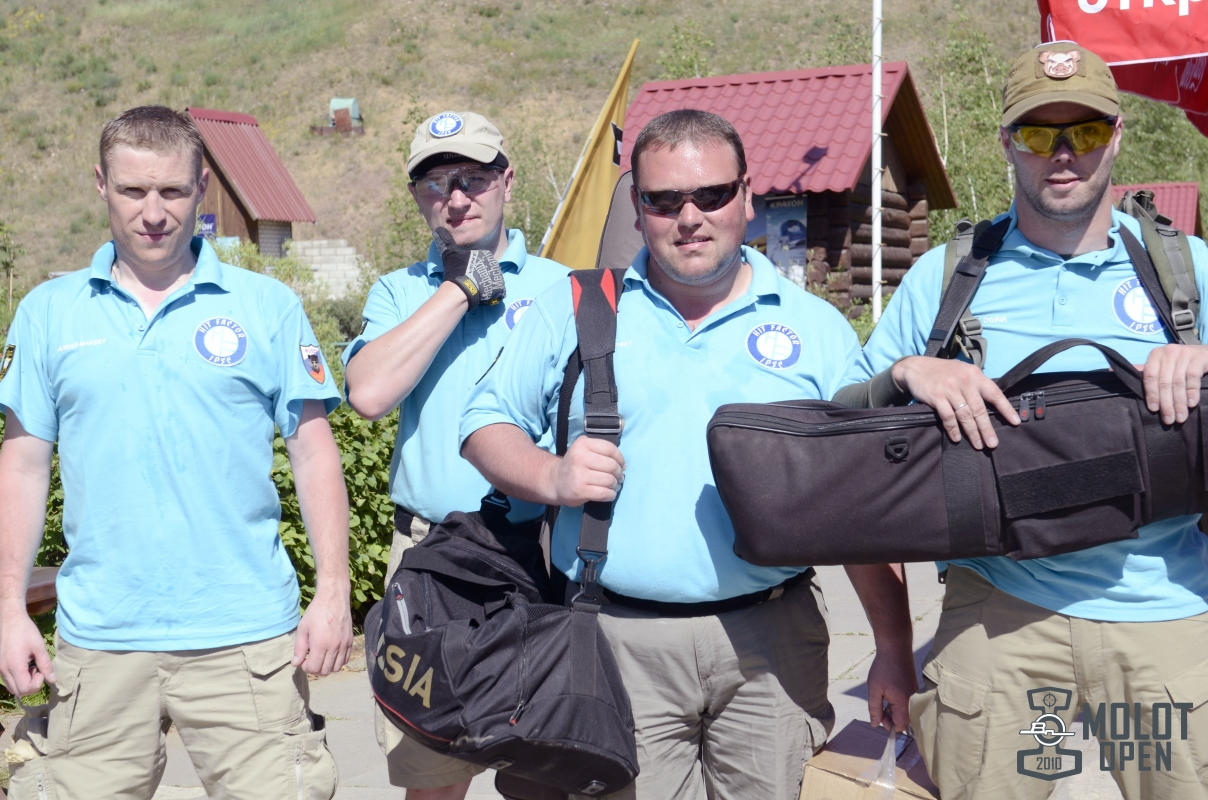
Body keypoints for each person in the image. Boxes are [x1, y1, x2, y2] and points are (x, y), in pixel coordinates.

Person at [459, 109, 918, 799]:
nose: (690, 217)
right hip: (614, 641)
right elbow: (483, 424)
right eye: (664, 200)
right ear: (637, 209)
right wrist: (550, 475)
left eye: (712, 194)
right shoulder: (578, 308)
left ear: (747, 196)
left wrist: (893, 648)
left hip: (773, 644)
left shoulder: (815, 331)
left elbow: (861, 511)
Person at [840, 43, 1208, 799]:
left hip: (1165, 615)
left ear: (1117, 135)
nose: (1063, 154)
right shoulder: (945, 279)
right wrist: (905, 373)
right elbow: (843, 439)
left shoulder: (1189, 271)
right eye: (1039, 134)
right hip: (1000, 618)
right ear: (1007, 143)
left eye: (1085, 131)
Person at [0, 106, 352, 799]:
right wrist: (9, 610)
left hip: (246, 640)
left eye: (172, 191)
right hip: (100, 643)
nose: (154, 212)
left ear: (201, 188)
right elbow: (22, 466)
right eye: (133, 190)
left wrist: (333, 592)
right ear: (100, 184)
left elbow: (315, 455)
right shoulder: (48, 313)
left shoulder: (266, 307)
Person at [342, 110, 569, 799]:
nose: (457, 197)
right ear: (418, 197)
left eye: (473, 178)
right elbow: (369, 393)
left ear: (507, 181)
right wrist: (459, 287)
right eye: (436, 184)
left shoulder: (565, 286)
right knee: (433, 773)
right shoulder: (399, 291)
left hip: (541, 556)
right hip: (431, 561)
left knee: (549, 775)